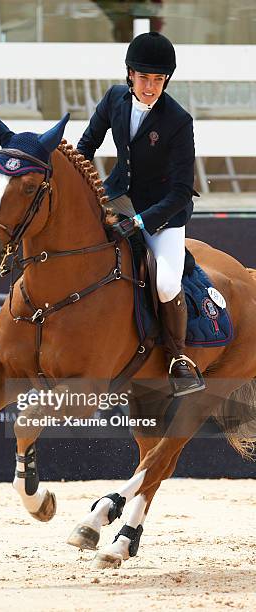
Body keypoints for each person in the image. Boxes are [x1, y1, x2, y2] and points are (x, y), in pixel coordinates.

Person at [77, 31, 204, 397]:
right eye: (144, 78)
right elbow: (86, 147)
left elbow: (182, 190)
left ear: (166, 80)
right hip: (119, 195)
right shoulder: (115, 99)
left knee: (165, 282)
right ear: (130, 74)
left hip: (163, 210)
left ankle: (179, 358)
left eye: (158, 80)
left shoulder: (178, 120)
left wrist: (141, 221)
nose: (150, 87)